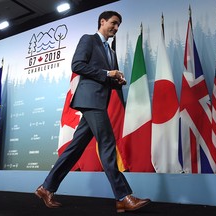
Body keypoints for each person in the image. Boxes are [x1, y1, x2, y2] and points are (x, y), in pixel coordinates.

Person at [35, 11, 151, 213]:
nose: (115, 28)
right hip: (90, 101)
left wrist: (117, 81)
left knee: (74, 150)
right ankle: (123, 196)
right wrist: (108, 73)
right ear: (102, 21)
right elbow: (77, 65)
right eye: (113, 23)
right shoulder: (88, 40)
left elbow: (107, 79)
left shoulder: (111, 52)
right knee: (107, 145)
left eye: (118, 25)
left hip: (99, 101)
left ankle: (46, 188)